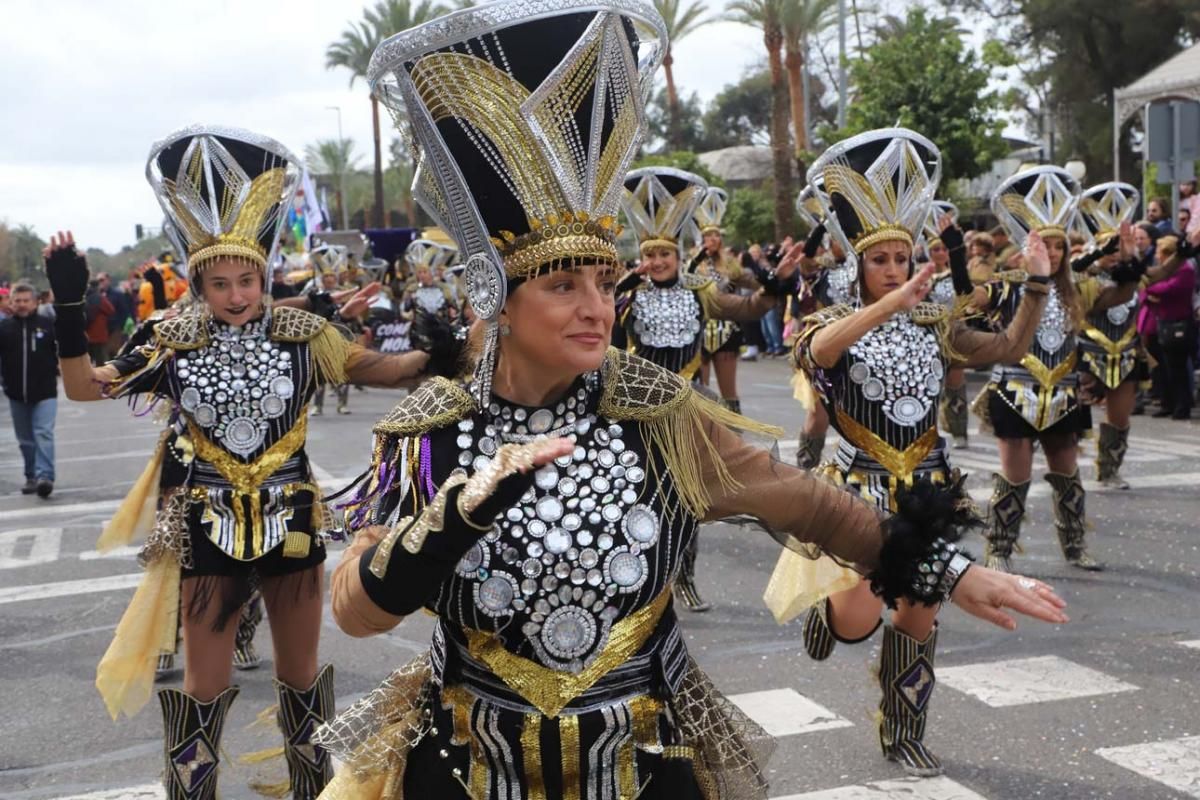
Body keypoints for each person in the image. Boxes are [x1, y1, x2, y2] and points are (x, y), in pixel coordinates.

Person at [312, 8, 1068, 800]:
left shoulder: (654, 412)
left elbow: (801, 499)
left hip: (641, 756)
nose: (597, 308)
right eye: (563, 286)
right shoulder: (432, 432)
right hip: (468, 760)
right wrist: (454, 515)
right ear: (498, 300)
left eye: (605, 284)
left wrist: (942, 568)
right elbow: (358, 611)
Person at [44, 125, 432, 800]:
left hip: (294, 523)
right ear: (196, 281)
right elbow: (83, 387)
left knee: (304, 678)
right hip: (204, 526)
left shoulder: (303, 335)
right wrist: (71, 309)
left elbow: (390, 370)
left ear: (265, 273)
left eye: (246, 279)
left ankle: (314, 793)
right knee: (203, 686)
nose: (235, 294)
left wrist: (440, 347)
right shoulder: (169, 340)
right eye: (219, 282)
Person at [766, 129, 1053, 777]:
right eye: (881, 260)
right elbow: (821, 354)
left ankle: (903, 731)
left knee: (918, 614)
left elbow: (1006, 348)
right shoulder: (826, 321)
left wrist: (1038, 285)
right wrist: (891, 304)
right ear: (857, 267)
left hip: (927, 490)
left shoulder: (936, 325)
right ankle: (829, 611)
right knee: (853, 623)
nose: (895, 269)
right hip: (854, 494)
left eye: (902, 257)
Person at [616, 168, 797, 612]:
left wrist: (772, 277)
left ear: (678, 255)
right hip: (638, 409)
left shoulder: (702, 293)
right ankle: (638, 583)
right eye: (650, 254)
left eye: (665, 254)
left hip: (689, 407)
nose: (658, 262)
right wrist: (620, 289)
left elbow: (752, 306)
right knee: (638, 496)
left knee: (688, 496)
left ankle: (685, 580)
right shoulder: (629, 296)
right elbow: (604, 339)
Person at [975, 166, 1145, 574]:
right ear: (1026, 248)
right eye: (1043, 246)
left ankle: (1074, 546)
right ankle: (999, 548)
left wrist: (1128, 256)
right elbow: (972, 295)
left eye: (1057, 247)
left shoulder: (1079, 288)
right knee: (1015, 477)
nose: (1051, 254)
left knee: (1068, 473)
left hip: (1065, 393)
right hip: (1015, 390)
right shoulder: (1010, 284)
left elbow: (1122, 291)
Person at [688, 190, 759, 412]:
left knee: (729, 392)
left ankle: (735, 437)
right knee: (701, 390)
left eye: (717, 235)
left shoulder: (730, 263)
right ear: (701, 239)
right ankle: (704, 438)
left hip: (727, 331)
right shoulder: (692, 263)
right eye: (709, 235)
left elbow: (753, 282)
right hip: (699, 330)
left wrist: (771, 280)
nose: (714, 239)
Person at [0, 281, 58, 497]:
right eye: (18, 301)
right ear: (11, 303)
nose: (22, 304)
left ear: (35, 302)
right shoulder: (4, 328)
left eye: (26, 300)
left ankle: (45, 476)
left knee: (43, 433)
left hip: (45, 391)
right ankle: (31, 475)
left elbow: (62, 352)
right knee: (25, 440)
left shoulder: (47, 324)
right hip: (15, 393)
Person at [1145, 235, 1197, 420]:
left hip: (1179, 323)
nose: (1157, 256)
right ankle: (1168, 403)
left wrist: (1152, 290)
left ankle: (1182, 406)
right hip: (1163, 320)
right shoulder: (1164, 270)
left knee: (1178, 368)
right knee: (1164, 367)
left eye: (1160, 252)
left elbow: (1168, 289)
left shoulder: (1185, 269)